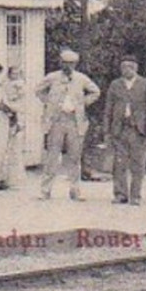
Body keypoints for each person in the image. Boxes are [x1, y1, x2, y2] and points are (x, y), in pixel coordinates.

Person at [36, 48, 100, 201]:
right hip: (56, 120)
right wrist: (49, 103)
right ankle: (45, 190)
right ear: (60, 62)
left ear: (76, 64)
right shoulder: (52, 77)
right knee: (52, 155)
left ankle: (74, 190)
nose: (68, 66)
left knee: (74, 157)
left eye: (71, 63)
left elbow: (95, 92)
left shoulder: (81, 78)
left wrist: (82, 104)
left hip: (74, 120)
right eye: (65, 63)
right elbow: (38, 90)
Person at [103, 55, 146, 205]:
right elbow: (108, 108)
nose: (127, 70)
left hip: (139, 130)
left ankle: (135, 196)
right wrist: (107, 129)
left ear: (136, 68)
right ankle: (120, 194)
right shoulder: (115, 85)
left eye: (130, 67)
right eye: (124, 67)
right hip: (119, 130)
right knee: (119, 164)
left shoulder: (145, 84)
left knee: (138, 164)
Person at [3, 65, 29, 188]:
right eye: (13, 74)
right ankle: (5, 177)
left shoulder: (21, 92)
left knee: (16, 149)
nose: (15, 76)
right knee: (6, 148)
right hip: (6, 116)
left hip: (17, 117)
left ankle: (16, 178)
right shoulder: (6, 86)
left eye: (18, 74)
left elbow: (21, 107)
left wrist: (18, 119)